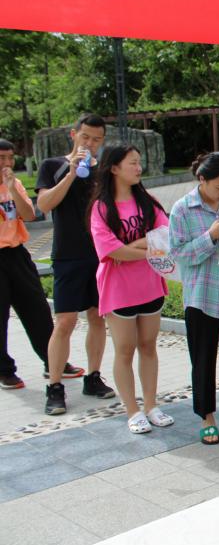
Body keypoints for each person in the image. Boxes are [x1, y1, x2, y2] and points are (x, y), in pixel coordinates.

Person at [89, 145, 175, 434]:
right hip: (118, 291)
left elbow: (164, 237)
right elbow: (111, 251)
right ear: (114, 168)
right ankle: (132, 410)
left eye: (139, 162)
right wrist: (144, 248)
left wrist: (132, 247)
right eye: (132, 163)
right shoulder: (101, 208)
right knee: (124, 350)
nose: (138, 168)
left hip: (150, 286)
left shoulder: (148, 202)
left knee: (148, 346)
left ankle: (151, 405)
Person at [36, 113, 114, 414]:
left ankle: (93, 377)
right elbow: (44, 205)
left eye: (96, 139)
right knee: (65, 321)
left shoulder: (104, 170)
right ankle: (55, 385)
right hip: (68, 254)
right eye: (85, 137)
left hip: (99, 254)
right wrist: (70, 174)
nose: (90, 144)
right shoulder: (52, 166)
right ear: (74, 135)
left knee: (97, 317)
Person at [169, 151, 219, 445]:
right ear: (202, 179)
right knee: (203, 359)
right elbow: (179, 254)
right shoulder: (182, 209)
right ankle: (206, 416)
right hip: (201, 297)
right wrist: (211, 236)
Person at [0, 139, 54, 390]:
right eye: (2, 158)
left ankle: (53, 360)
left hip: (17, 253)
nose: (7, 163)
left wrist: (11, 188)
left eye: (10, 158)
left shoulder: (15, 184)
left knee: (37, 308)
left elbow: (30, 215)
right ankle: (4, 370)